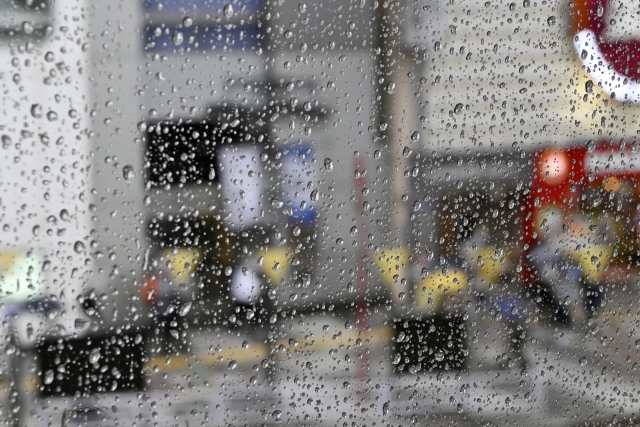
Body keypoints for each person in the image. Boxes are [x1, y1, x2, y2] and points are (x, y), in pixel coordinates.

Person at [142, 247, 201, 355]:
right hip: (168, 297)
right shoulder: (165, 263)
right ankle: (174, 345)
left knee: (170, 322)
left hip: (168, 297)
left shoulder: (163, 263)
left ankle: (172, 345)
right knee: (170, 322)